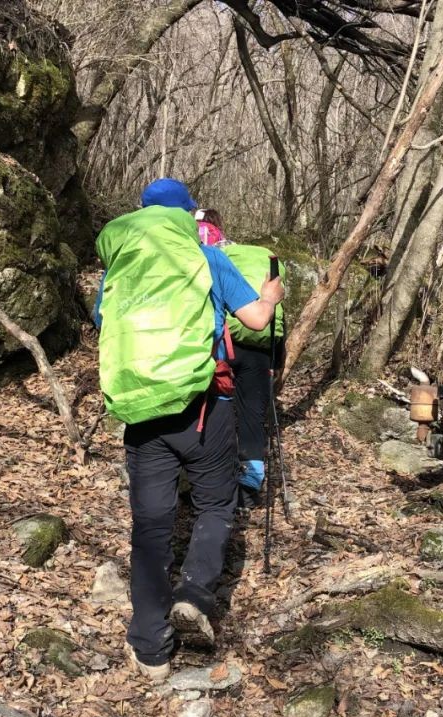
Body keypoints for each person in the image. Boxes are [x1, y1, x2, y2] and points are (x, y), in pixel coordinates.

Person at [94, 179, 284, 683]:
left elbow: (101, 321)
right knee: (215, 503)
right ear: (188, 215)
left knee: (151, 526)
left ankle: (149, 646)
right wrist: (270, 294)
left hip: (140, 410)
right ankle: (195, 593)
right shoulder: (208, 258)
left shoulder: (121, 265)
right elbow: (256, 321)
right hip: (204, 408)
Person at [195, 209, 285, 509]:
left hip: (221, 343)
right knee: (252, 416)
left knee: (210, 409)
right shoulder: (251, 255)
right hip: (259, 345)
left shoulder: (197, 254)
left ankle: (206, 477)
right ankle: (249, 483)